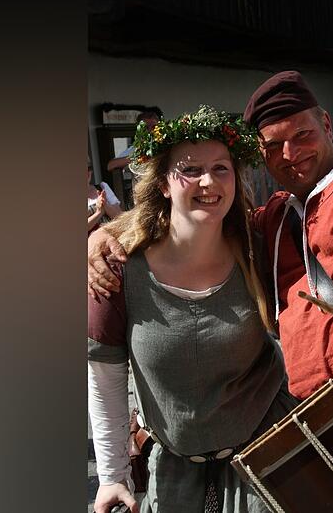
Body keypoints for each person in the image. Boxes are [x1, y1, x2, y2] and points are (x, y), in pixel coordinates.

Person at [89, 71, 333, 401]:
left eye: (302, 135)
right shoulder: (273, 216)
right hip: (311, 411)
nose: (290, 155)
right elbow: (195, 217)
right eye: (274, 146)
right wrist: (105, 234)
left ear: (325, 124)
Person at [87, 105, 297, 513]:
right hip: (174, 468)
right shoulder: (116, 268)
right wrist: (112, 476)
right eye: (190, 169)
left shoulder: (257, 244)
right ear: (164, 183)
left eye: (221, 168)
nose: (208, 181)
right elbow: (106, 377)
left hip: (267, 457)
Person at [88, 161, 122, 234]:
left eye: (88, 169)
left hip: (112, 237)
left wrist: (105, 205)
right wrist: (99, 212)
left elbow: (119, 216)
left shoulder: (102, 186)